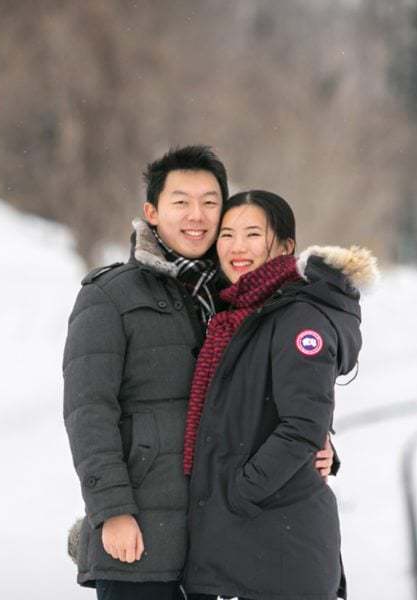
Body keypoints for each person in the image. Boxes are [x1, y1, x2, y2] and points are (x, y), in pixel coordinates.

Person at [63, 147, 335, 600]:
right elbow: (88, 413)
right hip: (142, 538)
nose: (197, 216)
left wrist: (321, 443)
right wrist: (111, 511)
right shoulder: (109, 297)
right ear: (152, 212)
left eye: (210, 202)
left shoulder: (239, 295)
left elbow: (276, 393)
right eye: (181, 202)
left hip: (221, 546)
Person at [182, 190, 377, 600]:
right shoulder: (237, 314)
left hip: (278, 554)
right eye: (227, 234)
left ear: (287, 246)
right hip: (246, 546)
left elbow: (304, 425)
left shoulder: (297, 317)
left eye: (253, 234)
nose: (237, 247)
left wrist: (240, 491)